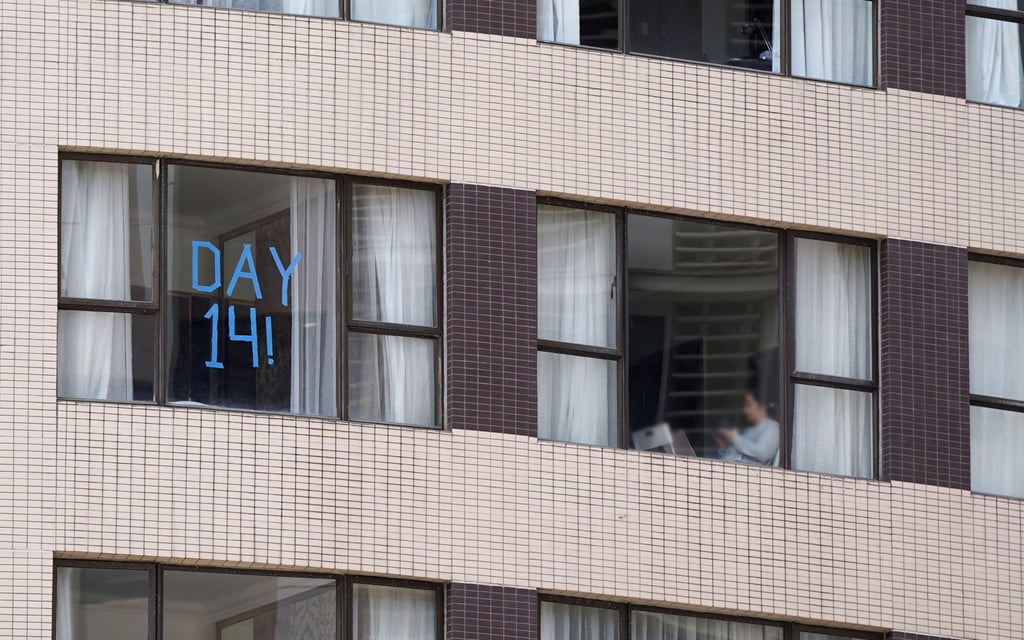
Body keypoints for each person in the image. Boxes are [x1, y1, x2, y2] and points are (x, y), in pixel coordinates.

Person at [715, 391, 780, 466]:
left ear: (762, 406)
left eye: (749, 405)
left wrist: (734, 437)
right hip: (726, 469)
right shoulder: (749, 430)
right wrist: (724, 446)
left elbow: (762, 453)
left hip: (742, 472)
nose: (745, 410)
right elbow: (728, 457)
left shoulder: (772, 427)